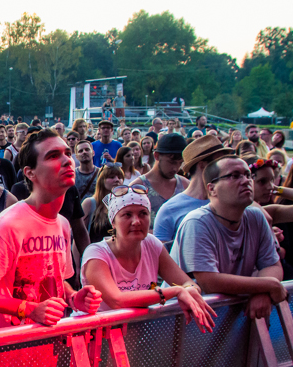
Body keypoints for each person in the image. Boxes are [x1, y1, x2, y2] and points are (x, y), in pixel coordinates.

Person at [0, 128, 102, 327]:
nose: (66, 161)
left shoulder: (62, 224)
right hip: (12, 348)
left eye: (67, 154)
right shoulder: (9, 225)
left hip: (49, 344)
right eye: (53, 156)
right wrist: (30, 310)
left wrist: (73, 298)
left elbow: (55, 282)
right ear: (30, 173)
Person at [79, 185, 215, 331]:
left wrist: (190, 289)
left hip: (135, 335)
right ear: (113, 221)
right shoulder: (96, 254)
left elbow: (186, 282)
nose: (136, 221)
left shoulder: (151, 244)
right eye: (127, 215)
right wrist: (176, 291)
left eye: (143, 213)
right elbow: (117, 301)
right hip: (95, 337)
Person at [171, 156, 285, 319]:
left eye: (248, 175)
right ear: (212, 189)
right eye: (235, 175)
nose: (245, 181)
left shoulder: (256, 217)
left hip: (223, 318)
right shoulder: (197, 222)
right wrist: (268, 285)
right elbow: (210, 282)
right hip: (181, 320)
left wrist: (263, 292)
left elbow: (272, 265)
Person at [153, 135, 233, 247]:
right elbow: (160, 256)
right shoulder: (170, 210)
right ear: (202, 165)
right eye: (219, 163)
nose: (225, 168)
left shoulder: (229, 201)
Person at [135, 133, 189, 228]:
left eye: (180, 163)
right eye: (171, 162)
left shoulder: (185, 185)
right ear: (156, 156)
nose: (176, 168)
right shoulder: (138, 187)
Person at [82, 164, 125, 244]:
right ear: (102, 180)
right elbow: (79, 237)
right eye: (112, 177)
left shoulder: (124, 205)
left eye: (120, 177)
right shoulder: (90, 203)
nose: (117, 180)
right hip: (94, 253)